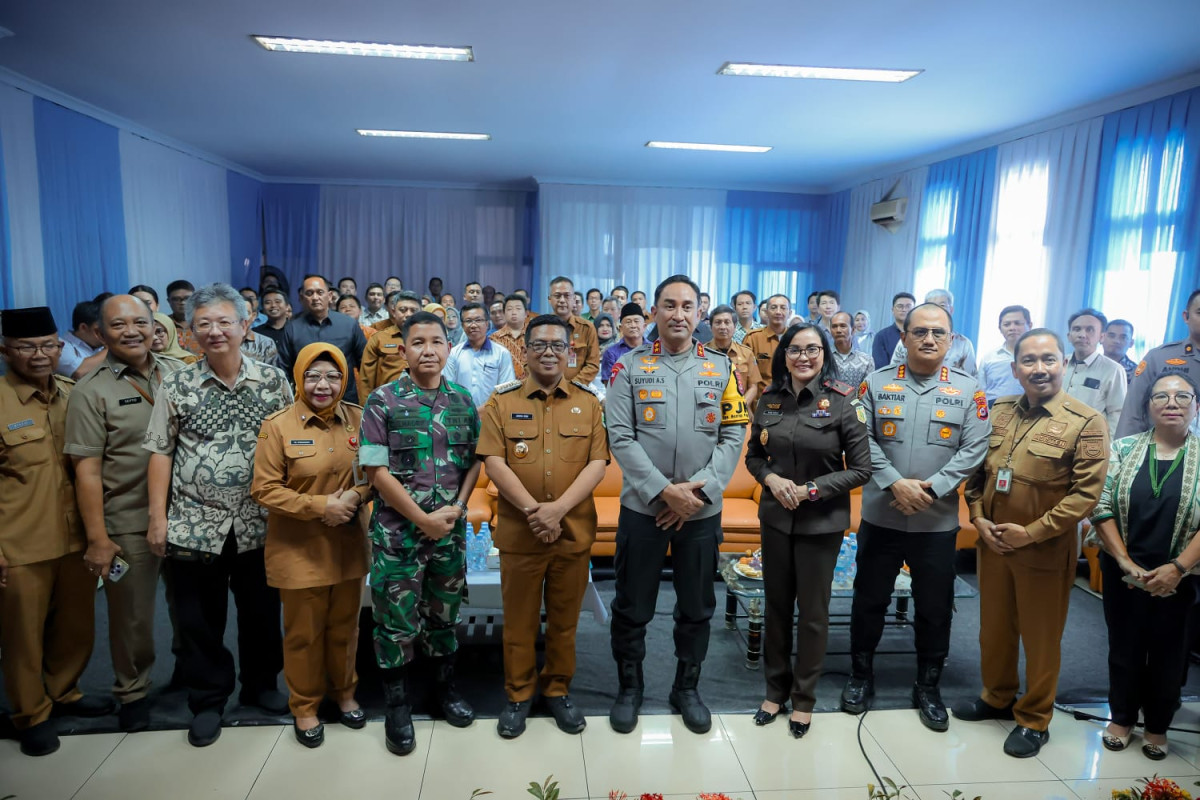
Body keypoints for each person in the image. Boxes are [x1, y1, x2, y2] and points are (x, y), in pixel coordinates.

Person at [143, 283, 294, 747]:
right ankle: (207, 700)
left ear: (245, 326)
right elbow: (160, 451)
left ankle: (261, 685)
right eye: (203, 323)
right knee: (197, 618)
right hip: (194, 521)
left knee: (262, 612)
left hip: (260, 520)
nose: (215, 331)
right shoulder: (177, 383)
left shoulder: (272, 381)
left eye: (224, 321)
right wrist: (157, 518)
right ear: (188, 332)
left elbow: (293, 446)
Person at [605, 275, 748, 735]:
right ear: (654, 314)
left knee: (697, 605)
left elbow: (733, 434)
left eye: (688, 306)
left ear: (699, 314)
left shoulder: (722, 369)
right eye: (669, 305)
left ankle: (686, 688)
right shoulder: (627, 368)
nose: (678, 314)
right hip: (644, 508)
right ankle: (630, 688)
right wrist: (665, 491)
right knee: (631, 605)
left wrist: (698, 492)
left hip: (702, 512)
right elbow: (620, 437)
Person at [956, 328, 1109, 758]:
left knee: (1041, 637)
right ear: (1015, 368)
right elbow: (976, 473)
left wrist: (1033, 531)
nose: (1038, 369)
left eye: (1048, 359)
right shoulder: (998, 411)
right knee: (994, 629)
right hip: (994, 542)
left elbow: (1086, 495)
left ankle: (1035, 718)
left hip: (1044, 547)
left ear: (1062, 363)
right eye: (1029, 361)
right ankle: (997, 697)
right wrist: (979, 518)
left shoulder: (1086, 421)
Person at [840, 302, 990, 732]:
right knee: (869, 601)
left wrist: (934, 488)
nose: (928, 340)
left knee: (934, 607)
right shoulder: (874, 383)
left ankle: (928, 686)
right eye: (919, 332)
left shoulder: (969, 391)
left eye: (938, 333)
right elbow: (859, 438)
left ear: (952, 340)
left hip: (936, 520)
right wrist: (894, 482)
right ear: (903, 337)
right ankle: (860, 676)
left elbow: (975, 449)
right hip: (882, 514)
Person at [478, 315, 609, 738]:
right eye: (539, 345)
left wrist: (558, 511)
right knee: (517, 622)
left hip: (572, 532)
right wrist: (536, 511)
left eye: (557, 345)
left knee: (564, 621)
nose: (548, 352)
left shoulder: (589, 403)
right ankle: (518, 695)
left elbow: (597, 463)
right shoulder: (501, 401)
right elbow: (494, 462)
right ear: (525, 351)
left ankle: (556, 690)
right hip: (520, 534)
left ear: (571, 352)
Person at [358, 311, 482, 756]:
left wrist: (460, 507)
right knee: (395, 625)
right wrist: (422, 519)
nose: (428, 350)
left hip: (449, 534)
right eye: (418, 343)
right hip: (398, 537)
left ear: (449, 349)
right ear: (402, 349)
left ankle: (444, 691)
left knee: (445, 618)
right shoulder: (383, 401)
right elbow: (376, 471)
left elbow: (474, 462)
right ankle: (397, 706)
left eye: (436, 342)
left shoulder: (463, 400)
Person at [64, 296, 186, 733]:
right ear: (99, 333)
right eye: (118, 324)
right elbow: (87, 471)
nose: (132, 331)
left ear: (156, 327)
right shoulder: (90, 389)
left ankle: (188, 675)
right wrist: (98, 538)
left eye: (141, 322)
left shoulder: (178, 372)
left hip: (188, 516)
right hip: (127, 521)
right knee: (132, 614)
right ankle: (132, 690)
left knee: (188, 605)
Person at [746, 322, 871, 738]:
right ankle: (774, 692)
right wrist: (771, 480)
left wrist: (811, 489)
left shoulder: (843, 401)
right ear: (784, 354)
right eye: (795, 349)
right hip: (776, 520)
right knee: (776, 609)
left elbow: (862, 469)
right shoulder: (768, 400)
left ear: (824, 354)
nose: (804, 356)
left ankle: (804, 700)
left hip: (821, 523)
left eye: (812, 349)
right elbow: (754, 456)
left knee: (813, 615)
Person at [1, 306, 114, 757]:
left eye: (49, 345)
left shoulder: (73, 394)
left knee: (76, 624)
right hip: (20, 541)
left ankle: (65, 694)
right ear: (5, 350)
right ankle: (31, 714)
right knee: (23, 635)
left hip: (75, 537)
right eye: (27, 348)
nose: (40, 356)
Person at [251, 343, 371, 749]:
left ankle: (345, 694)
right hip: (298, 549)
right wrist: (322, 506)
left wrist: (354, 498)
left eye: (333, 376)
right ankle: (304, 706)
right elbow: (264, 490)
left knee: (345, 629)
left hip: (348, 545)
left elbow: (374, 472)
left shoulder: (358, 420)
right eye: (314, 376)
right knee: (303, 634)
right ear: (299, 378)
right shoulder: (279, 425)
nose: (324, 385)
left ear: (345, 380)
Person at [1090, 372, 1200, 761]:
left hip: (1182, 576)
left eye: (1182, 397)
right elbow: (1100, 506)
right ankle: (1120, 718)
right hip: (1124, 571)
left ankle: (1156, 726)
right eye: (1161, 397)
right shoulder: (1121, 449)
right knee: (1125, 647)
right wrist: (1124, 562)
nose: (1171, 403)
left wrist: (1178, 568)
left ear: (1196, 407)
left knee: (1171, 652)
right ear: (1148, 406)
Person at [1117, 290, 1200, 439]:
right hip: (1163, 454)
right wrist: (1123, 456)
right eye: (1199, 313)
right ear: (1186, 317)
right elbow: (1133, 412)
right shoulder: (1159, 357)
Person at [278, 275, 369, 403]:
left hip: (344, 401)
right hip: (305, 402)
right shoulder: (292, 328)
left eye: (320, 292)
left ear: (330, 296)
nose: (315, 297)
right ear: (302, 298)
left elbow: (365, 365)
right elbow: (283, 370)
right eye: (309, 293)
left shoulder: (349, 325)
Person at [1063, 308, 1127, 436]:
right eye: (1077, 329)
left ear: (1101, 337)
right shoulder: (1059, 363)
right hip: (1053, 436)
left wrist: (1110, 449)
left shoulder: (1113, 370)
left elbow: (1117, 413)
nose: (1082, 334)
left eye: (1090, 330)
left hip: (1089, 441)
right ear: (1069, 336)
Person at [443, 302, 516, 408]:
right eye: (468, 321)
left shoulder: (501, 353)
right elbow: (448, 387)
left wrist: (485, 410)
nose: (473, 325)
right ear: (462, 325)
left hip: (492, 415)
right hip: (461, 415)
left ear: (487, 324)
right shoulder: (454, 353)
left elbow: (506, 389)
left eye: (478, 320)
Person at [891, 290, 977, 376]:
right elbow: (893, 374)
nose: (936, 311)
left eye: (942, 306)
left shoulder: (964, 344)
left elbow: (971, 380)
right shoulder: (909, 338)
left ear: (951, 310)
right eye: (931, 306)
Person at [361, 291, 422, 396]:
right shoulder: (379, 339)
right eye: (403, 310)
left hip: (423, 402)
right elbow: (366, 380)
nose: (408, 314)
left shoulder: (429, 338)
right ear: (393, 312)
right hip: (387, 402)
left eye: (413, 310)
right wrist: (366, 409)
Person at [708, 304, 762, 411]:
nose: (723, 327)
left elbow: (753, 387)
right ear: (711, 327)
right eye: (718, 323)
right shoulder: (702, 353)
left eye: (727, 322)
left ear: (735, 326)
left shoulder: (746, 353)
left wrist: (739, 407)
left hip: (739, 413)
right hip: (710, 412)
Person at [548, 276, 601, 385]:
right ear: (549, 299)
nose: (562, 300)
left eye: (567, 296)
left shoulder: (587, 328)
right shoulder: (540, 327)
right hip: (546, 389)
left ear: (573, 299)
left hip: (577, 391)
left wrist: (572, 386)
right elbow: (529, 362)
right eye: (557, 296)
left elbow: (592, 365)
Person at [977, 305, 1031, 406]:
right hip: (993, 411)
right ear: (1000, 328)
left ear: (1030, 325)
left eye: (1017, 323)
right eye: (1007, 324)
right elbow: (980, 392)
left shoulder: (1038, 357)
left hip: (1029, 411)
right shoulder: (989, 358)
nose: (1012, 328)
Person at [744, 294, 792, 392]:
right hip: (762, 399)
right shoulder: (753, 338)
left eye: (783, 308)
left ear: (790, 313)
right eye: (773, 308)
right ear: (766, 312)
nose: (778, 312)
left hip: (792, 398)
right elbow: (745, 376)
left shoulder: (797, 338)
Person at [57, 300, 108, 380]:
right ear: (83, 327)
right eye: (99, 330)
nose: (105, 333)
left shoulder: (100, 346)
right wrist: (112, 347)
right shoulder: (61, 346)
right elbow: (78, 372)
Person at [600, 303, 646, 385]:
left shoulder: (655, 349)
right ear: (621, 328)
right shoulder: (611, 353)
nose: (633, 325)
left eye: (636, 321)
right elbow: (609, 385)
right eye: (628, 322)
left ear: (644, 326)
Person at [829, 311, 873, 388]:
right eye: (834, 326)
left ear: (853, 330)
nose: (838, 330)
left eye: (843, 326)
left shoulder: (866, 361)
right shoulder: (822, 358)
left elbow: (867, 392)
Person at [490, 294, 529, 380]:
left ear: (526, 313)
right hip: (504, 385)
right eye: (509, 309)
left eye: (518, 309)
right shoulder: (494, 339)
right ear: (504, 313)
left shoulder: (535, 335)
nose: (514, 312)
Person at [873, 293, 915, 369]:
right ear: (893, 310)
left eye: (908, 306)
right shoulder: (881, 336)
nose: (904, 309)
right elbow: (880, 369)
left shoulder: (921, 334)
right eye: (900, 306)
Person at [240, 298, 282, 368]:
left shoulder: (266, 343)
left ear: (253, 316)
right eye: (238, 313)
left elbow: (273, 374)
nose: (242, 317)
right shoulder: (222, 340)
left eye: (246, 313)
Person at [167, 280, 203, 356]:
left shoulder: (204, 322)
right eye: (176, 299)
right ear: (169, 301)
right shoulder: (164, 325)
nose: (183, 302)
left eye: (187, 298)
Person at [1103, 319, 1138, 385]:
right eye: (1111, 336)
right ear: (1102, 338)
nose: (1116, 341)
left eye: (1123, 337)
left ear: (1131, 343)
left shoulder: (1137, 373)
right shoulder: (1090, 364)